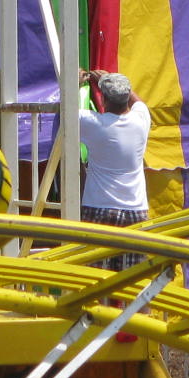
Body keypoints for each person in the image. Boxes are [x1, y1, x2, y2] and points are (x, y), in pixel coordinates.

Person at [77, 69, 151, 270]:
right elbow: (139, 103)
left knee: (94, 280)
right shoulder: (141, 120)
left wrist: (75, 83)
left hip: (98, 207)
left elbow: (63, 113)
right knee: (134, 281)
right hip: (135, 210)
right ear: (126, 98)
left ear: (104, 100)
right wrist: (115, 80)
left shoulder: (94, 123)